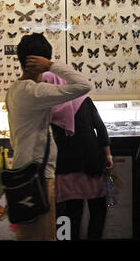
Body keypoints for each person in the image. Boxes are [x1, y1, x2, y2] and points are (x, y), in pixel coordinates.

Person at [5, 33, 92, 241]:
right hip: (38, 175)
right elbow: (83, 86)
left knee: (29, 234)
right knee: (42, 235)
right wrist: (52, 65)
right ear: (38, 63)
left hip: (23, 169)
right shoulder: (35, 92)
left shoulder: (14, 89)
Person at [42, 71, 114, 240]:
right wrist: (108, 156)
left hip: (65, 167)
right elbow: (100, 128)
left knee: (70, 212)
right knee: (98, 210)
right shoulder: (83, 100)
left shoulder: (48, 106)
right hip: (91, 164)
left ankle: (65, 238)